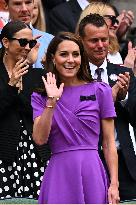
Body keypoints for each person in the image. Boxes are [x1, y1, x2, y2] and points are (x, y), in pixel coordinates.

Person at [31, 31, 119, 204]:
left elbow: (109, 143)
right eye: (64, 54)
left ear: (82, 58)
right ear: (53, 58)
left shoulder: (101, 90)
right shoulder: (39, 97)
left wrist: (114, 184)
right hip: (59, 175)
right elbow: (40, 139)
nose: (70, 60)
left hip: (92, 172)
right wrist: (52, 101)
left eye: (76, 54)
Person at [78, 13, 136, 201]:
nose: (101, 45)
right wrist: (107, 99)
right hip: (86, 161)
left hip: (124, 164)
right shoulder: (73, 76)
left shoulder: (123, 73)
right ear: (81, 41)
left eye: (104, 39)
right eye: (94, 40)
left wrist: (124, 97)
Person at [0, 20, 47, 199]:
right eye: (23, 42)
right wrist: (11, 86)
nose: (28, 47)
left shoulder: (34, 74)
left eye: (31, 43)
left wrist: (30, 66)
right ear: (6, 42)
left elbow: (37, 112)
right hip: (4, 154)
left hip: (33, 155)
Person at [4, 0, 53, 68]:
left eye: (28, 3)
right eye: (17, 4)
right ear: (6, 5)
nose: (24, 9)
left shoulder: (50, 40)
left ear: (33, 4)